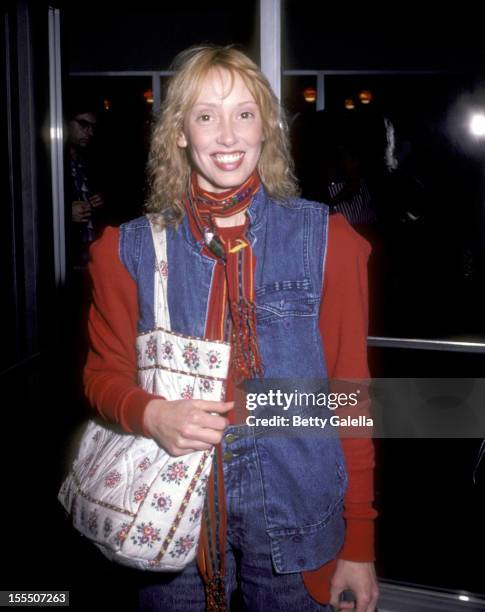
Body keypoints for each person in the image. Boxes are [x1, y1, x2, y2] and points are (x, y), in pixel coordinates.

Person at [83, 45, 378, 612]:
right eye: (205, 115)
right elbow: (102, 375)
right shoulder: (126, 251)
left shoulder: (328, 242)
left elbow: (351, 398)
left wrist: (360, 540)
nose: (227, 134)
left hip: (298, 514)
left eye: (244, 113)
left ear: (266, 128)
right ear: (179, 133)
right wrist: (151, 413)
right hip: (173, 518)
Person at [65, 97, 106, 270]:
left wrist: (100, 202)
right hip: (67, 256)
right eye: (83, 124)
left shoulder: (90, 160)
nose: (89, 132)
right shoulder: (50, 164)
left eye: (92, 127)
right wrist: (66, 213)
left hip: (91, 255)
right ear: (66, 123)